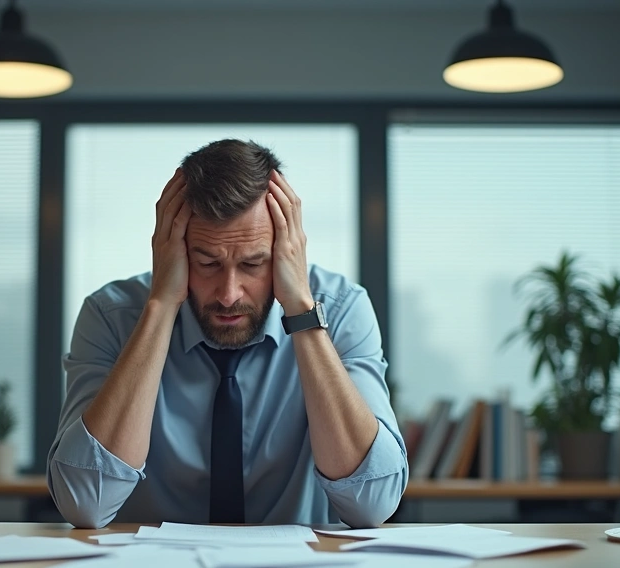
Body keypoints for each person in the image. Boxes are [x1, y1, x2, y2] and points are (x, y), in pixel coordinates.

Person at [47, 139, 407, 529]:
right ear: (174, 251)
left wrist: (302, 312)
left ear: (289, 251)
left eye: (254, 263)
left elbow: (371, 504)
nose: (229, 293)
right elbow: (85, 502)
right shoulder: (111, 316)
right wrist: (161, 306)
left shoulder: (339, 311)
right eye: (206, 262)